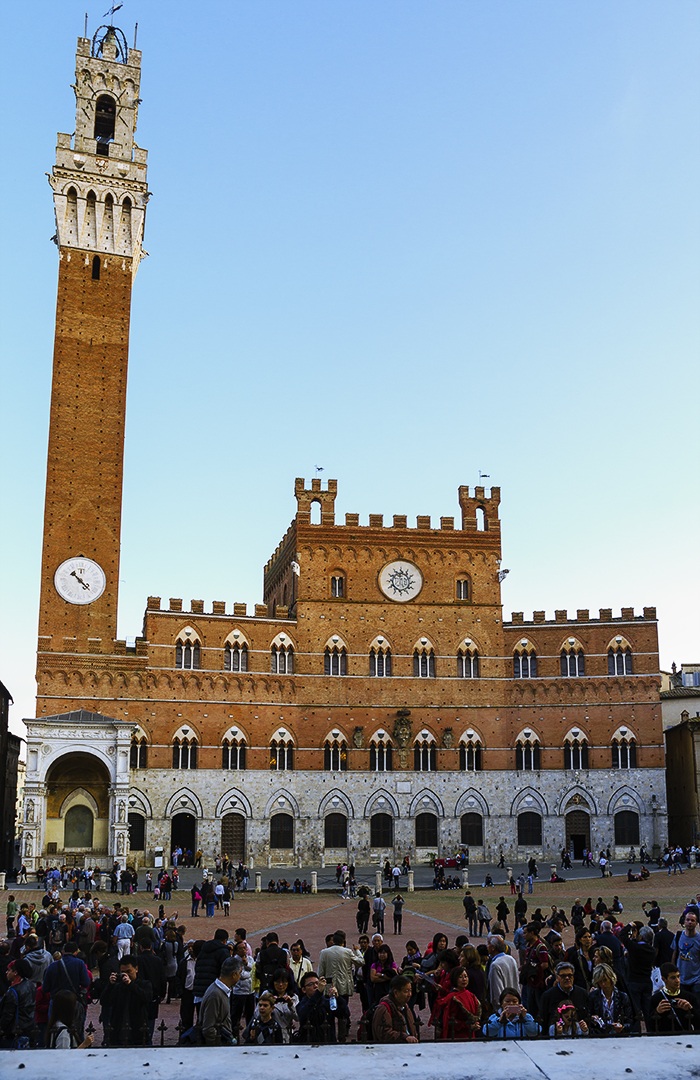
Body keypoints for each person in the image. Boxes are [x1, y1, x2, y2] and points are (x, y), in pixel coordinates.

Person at [100, 955, 153, 1047]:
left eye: (129, 971)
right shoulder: (118, 987)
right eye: (123, 972)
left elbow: (146, 997)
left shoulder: (144, 984)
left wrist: (130, 984)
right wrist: (110, 985)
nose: (126, 975)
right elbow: (104, 1001)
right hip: (118, 1028)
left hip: (137, 1028)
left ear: (136, 969)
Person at [295, 971, 348, 1044]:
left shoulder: (327, 1002)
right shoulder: (301, 1004)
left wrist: (338, 998)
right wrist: (318, 993)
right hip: (308, 1044)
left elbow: (345, 1014)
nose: (316, 986)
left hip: (328, 1043)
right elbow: (303, 1014)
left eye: (317, 983)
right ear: (304, 989)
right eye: (311, 984)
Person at [539, 962, 590, 1034]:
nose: (567, 978)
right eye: (563, 976)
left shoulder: (582, 993)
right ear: (557, 977)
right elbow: (544, 1021)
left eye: (570, 975)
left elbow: (587, 1017)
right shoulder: (547, 996)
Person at [200, 956, 241, 1045]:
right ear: (234, 974)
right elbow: (208, 1028)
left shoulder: (222, 991)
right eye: (239, 973)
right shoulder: (215, 994)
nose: (240, 976)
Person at [650, 963, 698, 1034]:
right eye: (673, 978)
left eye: (678, 976)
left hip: (686, 1037)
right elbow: (650, 1027)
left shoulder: (689, 997)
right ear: (664, 979)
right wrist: (657, 1012)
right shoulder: (656, 999)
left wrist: (691, 1009)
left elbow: (698, 1023)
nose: (677, 980)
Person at [0, 959, 37, 1049]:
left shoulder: (12, 992)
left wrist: (2, 1028)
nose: (6, 973)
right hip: (29, 1028)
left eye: (9, 970)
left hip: (14, 1033)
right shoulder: (30, 985)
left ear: (15, 972)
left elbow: (7, 1015)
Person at [588, 963, 633, 1036]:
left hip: (619, 1035)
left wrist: (622, 1027)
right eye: (600, 981)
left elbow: (630, 1020)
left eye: (605, 980)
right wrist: (592, 1019)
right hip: (600, 1035)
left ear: (611, 979)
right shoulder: (593, 996)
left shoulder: (623, 997)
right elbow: (588, 1017)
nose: (603, 984)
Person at [372, 974, 419, 1043]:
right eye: (406, 991)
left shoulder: (405, 1007)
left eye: (410, 990)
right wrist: (404, 1037)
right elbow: (384, 1033)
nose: (409, 994)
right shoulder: (384, 1009)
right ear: (396, 993)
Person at [438, 966, 481, 1040]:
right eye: (460, 977)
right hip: (458, 1036)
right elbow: (450, 1020)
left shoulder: (470, 995)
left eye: (465, 976)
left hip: (471, 1033)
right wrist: (467, 1026)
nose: (464, 979)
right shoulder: (452, 997)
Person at [673, 910, 700, 1000]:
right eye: (688, 920)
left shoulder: (699, 939)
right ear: (684, 922)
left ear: (696, 923)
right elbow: (674, 954)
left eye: (692, 920)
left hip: (696, 980)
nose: (690, 922)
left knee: (696, 1006)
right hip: (681, 979)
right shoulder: (678, 936)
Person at [486, 935, 519, 1008]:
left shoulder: (495, 964)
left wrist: (500, 1005)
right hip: (514, 1001)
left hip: (503, 1006)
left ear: (493, 948)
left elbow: (497, 989)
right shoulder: (511, 959)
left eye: (488, 944)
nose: (487, 947)